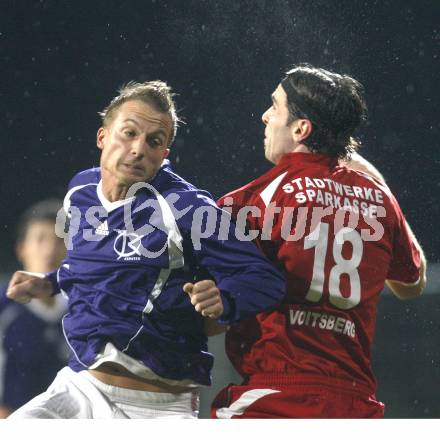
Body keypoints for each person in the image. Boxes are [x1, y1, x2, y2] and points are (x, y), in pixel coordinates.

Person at [5, 80, 285, 419]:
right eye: (129, 133)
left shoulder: (186, 208)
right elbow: (91, 263)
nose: (139, 149)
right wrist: (48, 282)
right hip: (78, 388)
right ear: (102, 137)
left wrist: (225, 297)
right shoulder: (79, 191)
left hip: (158, 405)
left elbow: (265, 279)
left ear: (165, 154)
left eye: (154, 141)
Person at [211, 64, 426, 418]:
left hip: (275, 396)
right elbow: (411, 284)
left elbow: (208, 307)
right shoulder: (378, 197)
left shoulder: (250, 202)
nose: (265, 116)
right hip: (356, 404)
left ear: (301, 128)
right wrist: (376, 178)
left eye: (275, 107)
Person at [0, 199, 68, 418]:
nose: (50, 250)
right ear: (22, 249)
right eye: (40, 239)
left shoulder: (84, 308)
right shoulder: (3, 308)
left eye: (59, 241)